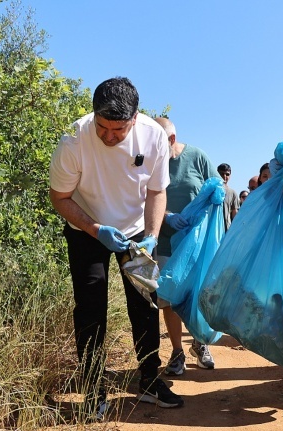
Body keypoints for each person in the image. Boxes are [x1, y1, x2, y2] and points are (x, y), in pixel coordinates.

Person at [49, 77, 183, 419]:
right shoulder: (75, 139)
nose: (109, 136)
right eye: (102, 127)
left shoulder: (154, 136)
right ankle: (94, 390)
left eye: (118, 129)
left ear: (134, 119)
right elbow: (59, 197)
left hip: (136, 232)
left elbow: (156, 191)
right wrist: (96, 229)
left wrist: (151, 236)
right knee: (91, 308)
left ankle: (150, 381)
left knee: (145, 302)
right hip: (86, 230)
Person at [154, 117, 219, 376]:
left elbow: (216, 185)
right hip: (167, 239)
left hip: (196, 242)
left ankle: (200, 344)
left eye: (159, 145)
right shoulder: (151, 161)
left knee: (197, 294)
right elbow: (144, 195)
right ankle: (177, 351)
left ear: (171, 139)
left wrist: (213, 197)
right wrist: (168, 215)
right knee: (169, 297)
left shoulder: (197, 156)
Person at [217, 163, 240, 231]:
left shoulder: (232, 193)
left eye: (227, 174)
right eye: (222, 174)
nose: (224, 176)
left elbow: (234, 213)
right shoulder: (212, 190)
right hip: (213, 228)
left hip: (226, 229)